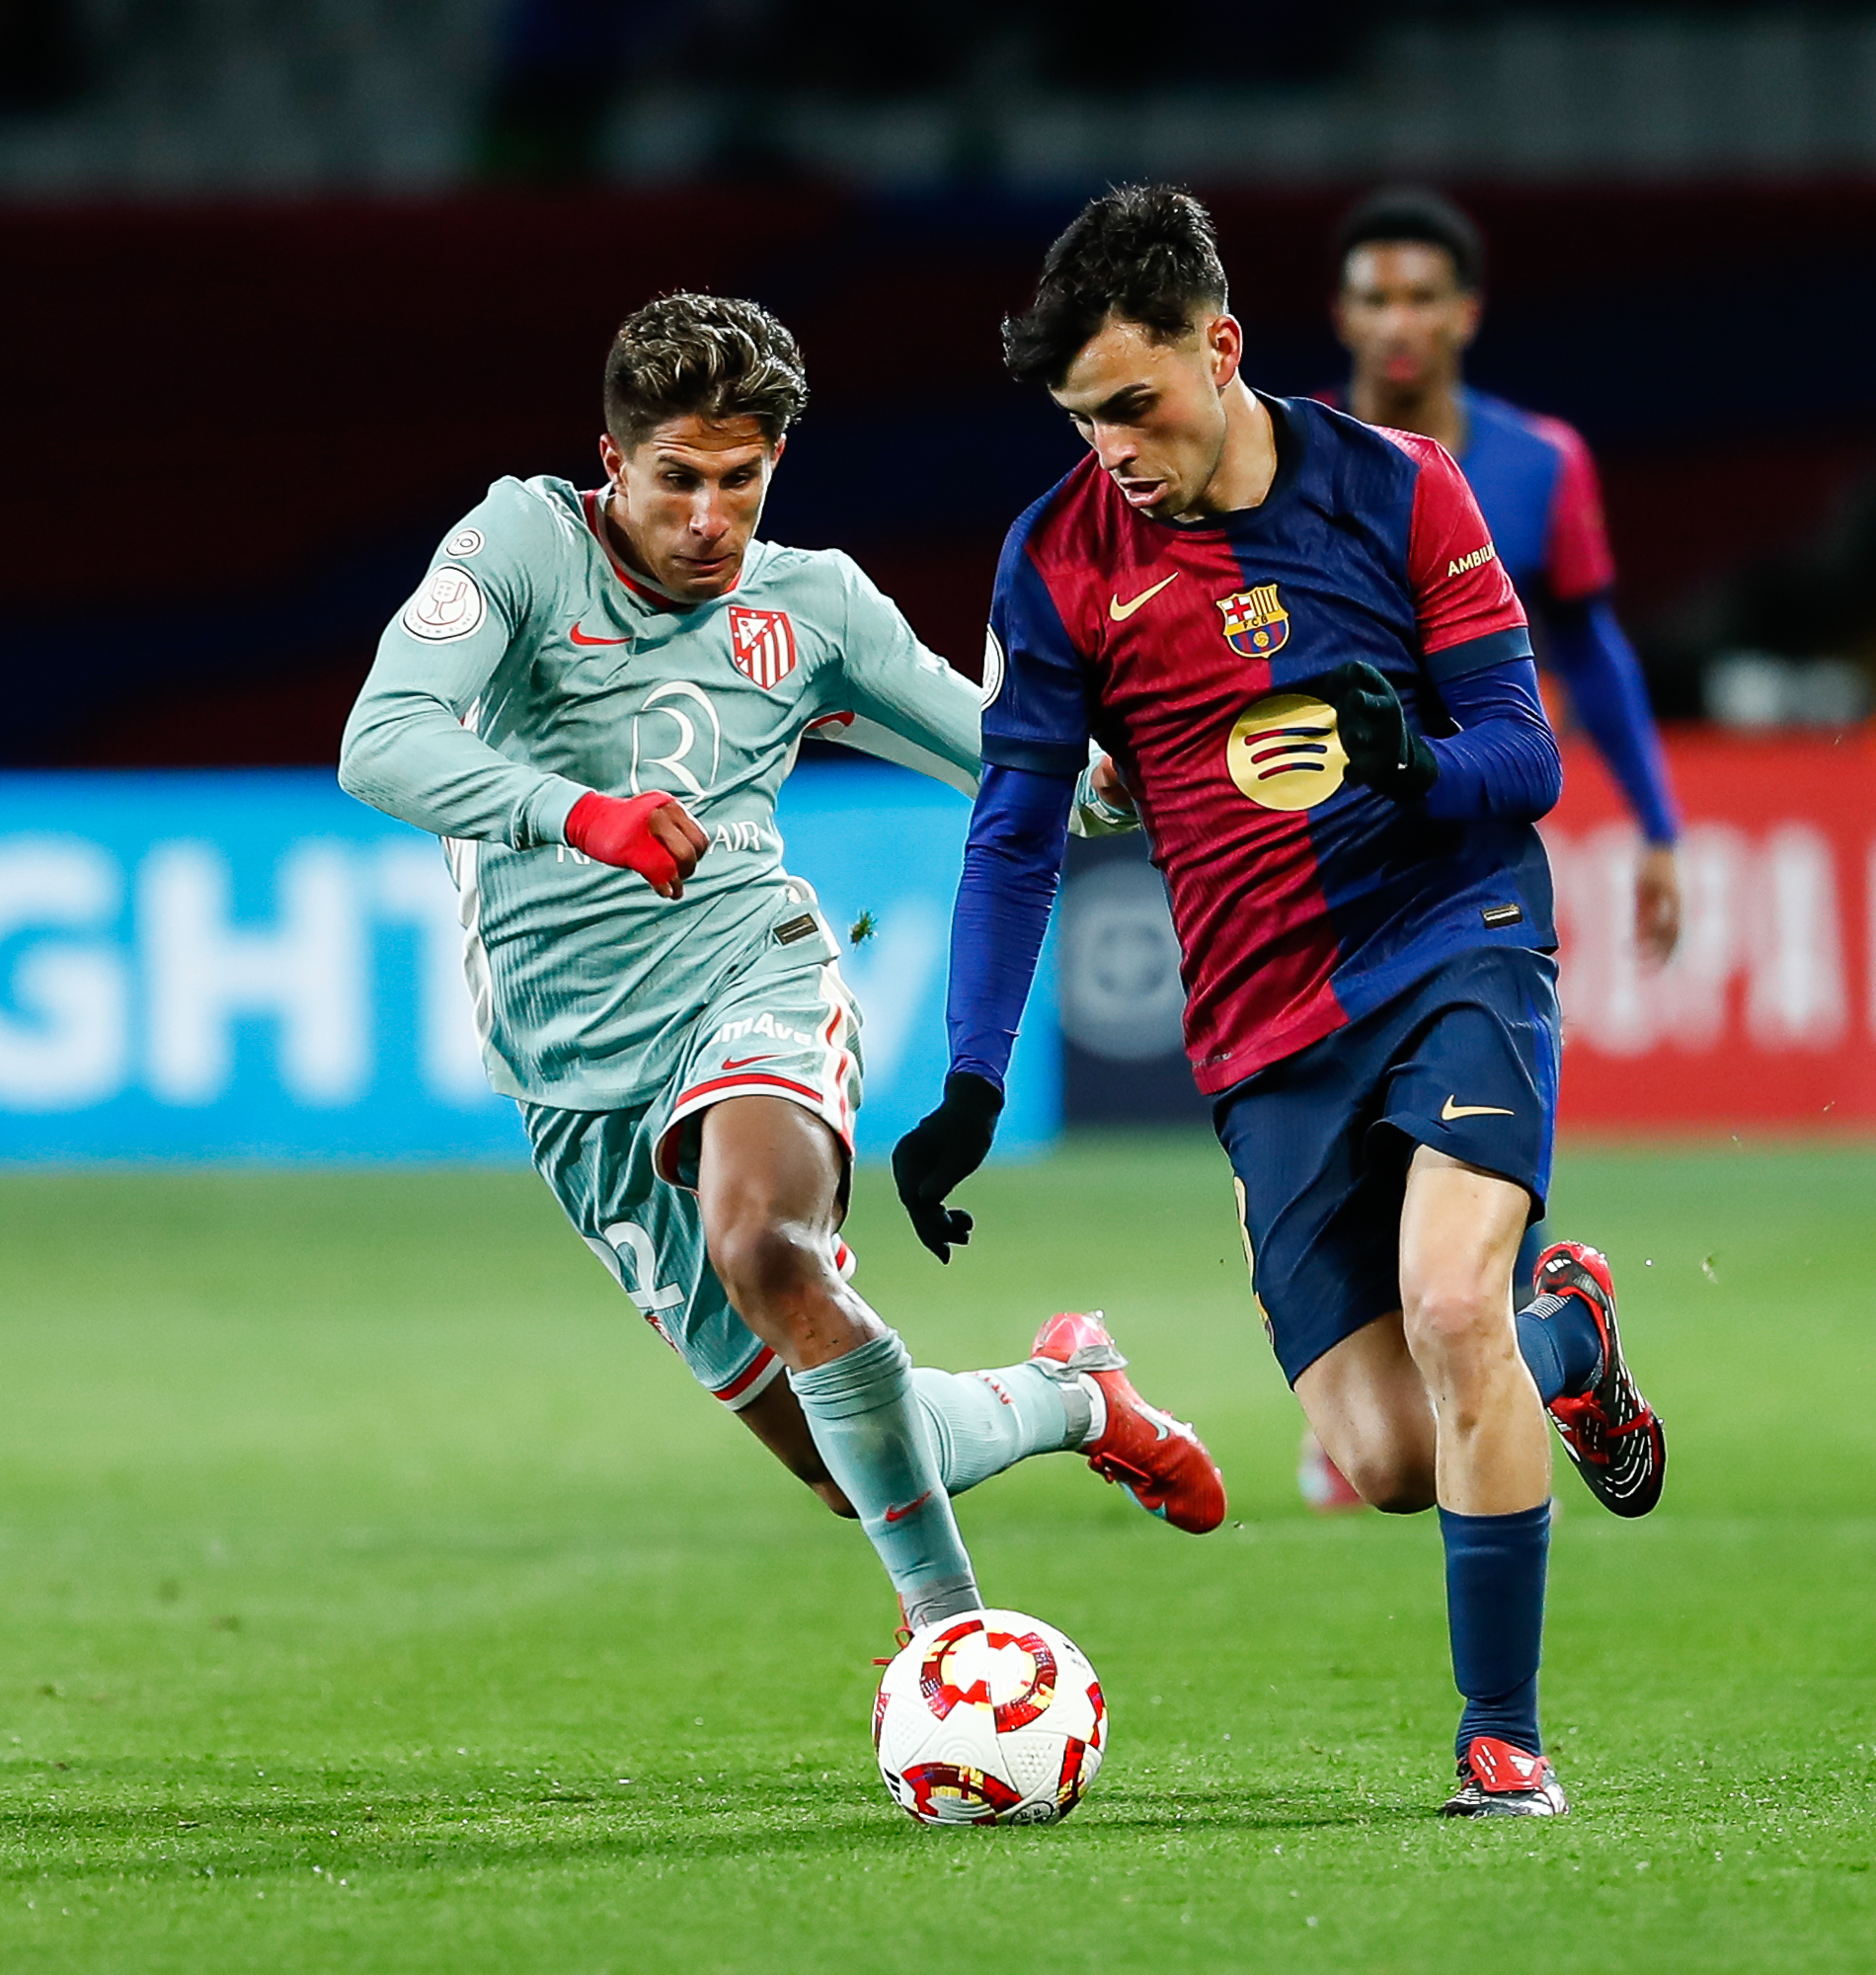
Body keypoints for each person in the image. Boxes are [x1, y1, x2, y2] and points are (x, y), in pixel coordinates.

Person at [894, 188, 1663, 1817]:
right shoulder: (1058, 565)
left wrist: (1408, 756)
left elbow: (1521, 758)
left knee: (1453, 1307)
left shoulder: (1402, 490)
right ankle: (1568, 1332)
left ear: (1220, 348)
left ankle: (1500, 1739)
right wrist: (969, 1079)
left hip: (1455, 935)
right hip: (1262, 1025)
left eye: (1135, 404)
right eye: (1082, 418)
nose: (1111, 445)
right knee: (1388, 1458)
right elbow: (1015, 835)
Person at [339, 292, 1224, 1644]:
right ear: (613, 460)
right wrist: (580, 814)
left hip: (746, 978)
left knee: (764, 1245)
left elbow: (1025, 767)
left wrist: (1151, 750)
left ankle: (954, 1643)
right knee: (840, 1458)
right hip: (573, 1089)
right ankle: (1072, 1396)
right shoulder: (521, 544)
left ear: (774, 468)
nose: (708, 518)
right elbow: (382, 740)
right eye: (676, 481)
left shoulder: (814, 611)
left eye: (738, 481)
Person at [1293, 184, 1691, 1513]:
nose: (1398, 321)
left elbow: (1590, 645)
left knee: (1464, 1096)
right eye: (1374, 294)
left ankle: (1482, 1352)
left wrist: (1658, 825)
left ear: (1464, 313)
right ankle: (1524, 1347)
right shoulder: (1284, 465)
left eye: (1422, 295)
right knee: (1337, 1128)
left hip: (1470, 849)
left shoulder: (1540, 466)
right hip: (1320, 858)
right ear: (1343, 311)